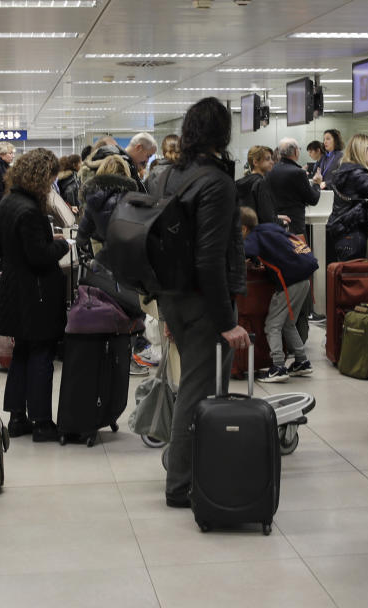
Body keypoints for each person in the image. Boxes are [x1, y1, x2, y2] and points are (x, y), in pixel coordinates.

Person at [156, 97, 249, 509]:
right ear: (223, 134)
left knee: (190, 387)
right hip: (203, 303)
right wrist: (227, 321)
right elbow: (209, 259)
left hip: (172, 296)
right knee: (201, 391)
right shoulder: (217, 183)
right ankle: (180, 483)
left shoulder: (165, 178)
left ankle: (188, 467)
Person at [0, 149, 69, 441]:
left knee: (22, 352)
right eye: (51, 176)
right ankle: (41, 421)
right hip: (37, 292)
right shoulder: (30, 210)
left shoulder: (8, 203)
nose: (52, 182)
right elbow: (40, 256)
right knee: (41, 354)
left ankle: (16, 417)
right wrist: (61, 245)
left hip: (14, 288)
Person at [241, 207, 316, 383]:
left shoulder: (253, 237)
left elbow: (243, 254)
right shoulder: (269, 228)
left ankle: (278, 366)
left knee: (272, 325)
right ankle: (301, 361)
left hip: (289, 283)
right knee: (288, 324)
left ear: (244, 229)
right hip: (304, 278)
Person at [77, 154, 139, 255]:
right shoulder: (133, 198)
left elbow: (82, 237)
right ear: (125, 171)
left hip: (104, 256)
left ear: (102, 171)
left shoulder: (93, 198)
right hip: (129, 256)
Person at [267, 137, 321, 237]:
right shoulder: (298, 172)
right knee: (299, 252)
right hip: (294, 225)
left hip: (276, 224)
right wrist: (317, 184)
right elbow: (313, 199)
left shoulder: (271, 171)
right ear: (296, 151)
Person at [235, 145, 277, 224]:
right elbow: (266, 217)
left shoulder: (240, 182)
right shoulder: (261, 183)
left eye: (271, 158)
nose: (272, 162)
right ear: (255, 162)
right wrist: (281, 222)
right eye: (268, 159)